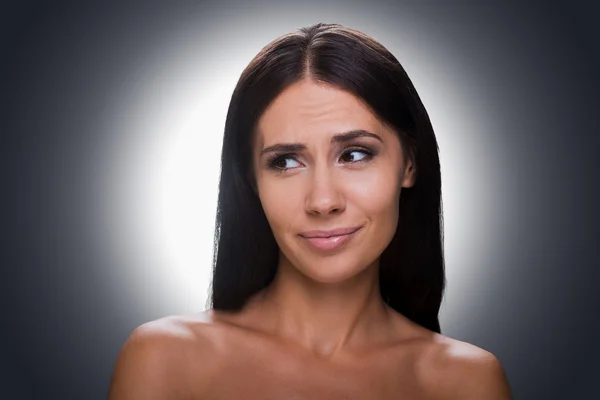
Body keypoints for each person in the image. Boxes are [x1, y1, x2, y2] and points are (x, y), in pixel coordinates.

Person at [108, 22, 513, 399]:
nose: (323, 201)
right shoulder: (166, 361)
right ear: (252, 180)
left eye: (355, 154)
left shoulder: (467, 382)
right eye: (285, 162)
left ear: (410, 163)